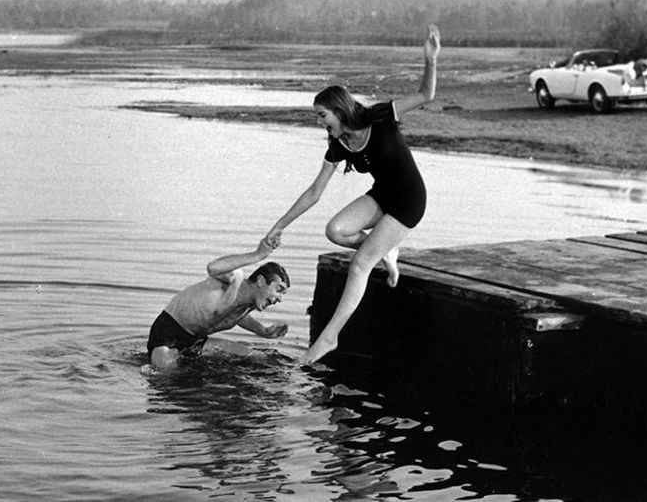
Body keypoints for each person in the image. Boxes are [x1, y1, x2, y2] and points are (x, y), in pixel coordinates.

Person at [265, 24, 440, 365]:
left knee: (360, 264)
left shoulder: (379, 115)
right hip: (382, 195)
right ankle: (386, 252)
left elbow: (425, 95)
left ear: (339, 110)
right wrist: (279, 226)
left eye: (322, 115)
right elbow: (314, 192)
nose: (320, 123)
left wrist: (430, 59)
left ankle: (329, 338)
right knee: (335, 231)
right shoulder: (339, 145)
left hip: (408, 201)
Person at [147, 238, 290, 370]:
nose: (280, 298)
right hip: (168, 334)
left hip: (197, 341)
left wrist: (263, 331)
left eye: (283, 294)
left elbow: (233, 314)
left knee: (258, 358)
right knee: (168, 377)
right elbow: (212, 267)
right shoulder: (235, 279)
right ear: (260, 281)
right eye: (279, 290)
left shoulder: (248, 304)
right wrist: (257, 255)